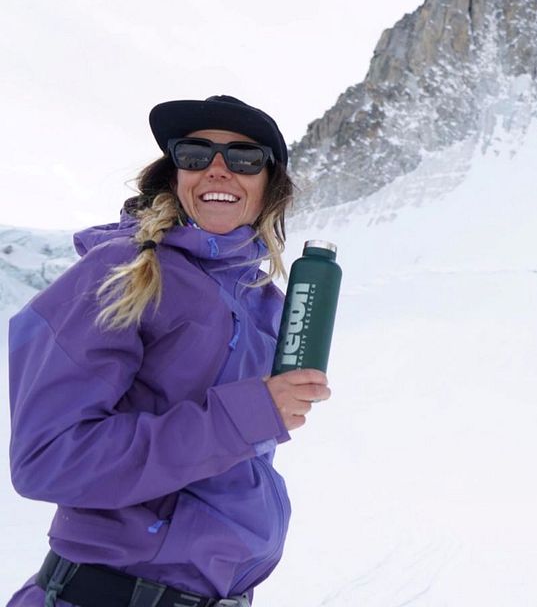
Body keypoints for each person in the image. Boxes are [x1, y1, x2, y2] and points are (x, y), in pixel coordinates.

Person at [6, 95, 331, 607]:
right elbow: (48, 459)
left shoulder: (260, 302)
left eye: (244, 158)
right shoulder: (121, 271)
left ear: (271, 184)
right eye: (195, 154)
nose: (218, 170)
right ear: (174, 174)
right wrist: (245, 416)